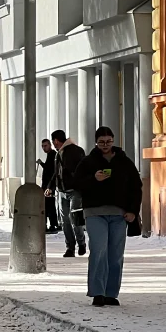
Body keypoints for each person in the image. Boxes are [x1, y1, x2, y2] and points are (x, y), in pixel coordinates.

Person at [72, 126, 142, 306]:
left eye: (108, 141)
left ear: (113, 140)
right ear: (96, 142)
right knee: (98, 250)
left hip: (119, 214)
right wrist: (93, 179)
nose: (105, 145)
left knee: (116, 254)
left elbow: (136, 187)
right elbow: (76, 184)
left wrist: (133, 211)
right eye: (101, 142)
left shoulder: (124, 161)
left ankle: (111, 293)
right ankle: (98, 292)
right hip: (94, 212)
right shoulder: (88, 162)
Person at [51, 129, 87, 258]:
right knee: (66, 220)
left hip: (74, 190)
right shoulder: (60, 153)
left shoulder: (74, 151)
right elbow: (56, 172)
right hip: (62, 190)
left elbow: (80, 170)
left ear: (56, 141)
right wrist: (51, 186)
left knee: (73, 218)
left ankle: (79, 244)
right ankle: (71, 247)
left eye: (53, 142)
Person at [38, 138, 59, 233]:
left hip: (49, 185)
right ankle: (51, 224)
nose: (44, 148)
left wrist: (50, 187)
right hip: (47, 184)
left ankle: (52, 225)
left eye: (45, 145)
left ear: (50, 145)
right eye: (42, 146)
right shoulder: (50, 155)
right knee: (48, 205)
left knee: (49, 205)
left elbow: (51, 170)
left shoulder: (53, 155)